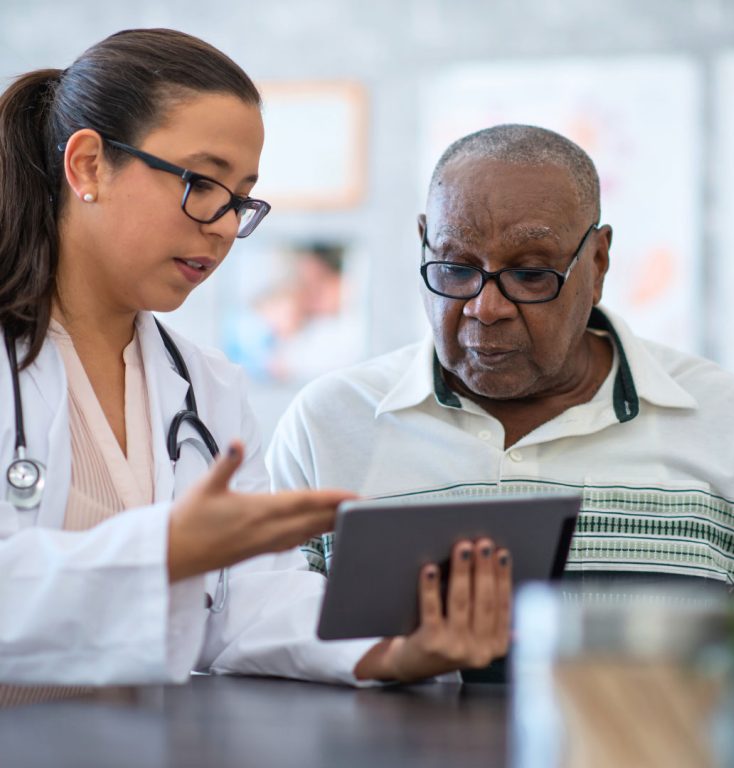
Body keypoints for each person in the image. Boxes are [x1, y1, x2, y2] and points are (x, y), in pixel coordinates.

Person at [0, 29, 511, 705]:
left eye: (241, 200)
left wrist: (392, 648)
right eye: (202, 183)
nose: (220, 225)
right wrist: (167, 550)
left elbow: (246, 601)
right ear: (90, 165)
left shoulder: (205, 385)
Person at [268, 124, 734, 588]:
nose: (486, 309)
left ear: (597, 263)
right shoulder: (328, 424)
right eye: (455, 268)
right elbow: (258, 639)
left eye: (530, 274)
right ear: (423, 244)